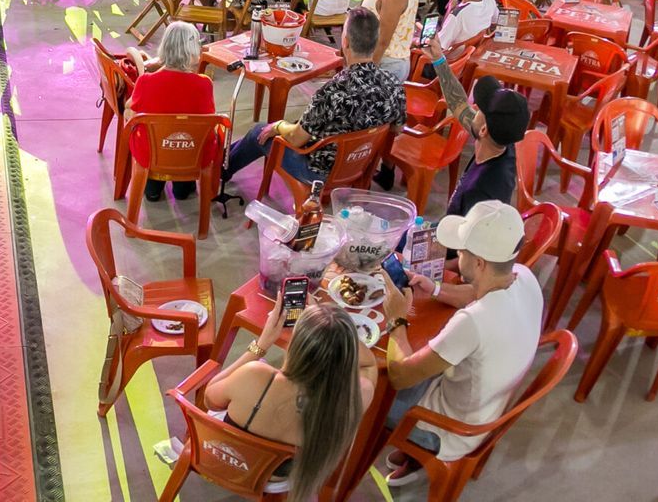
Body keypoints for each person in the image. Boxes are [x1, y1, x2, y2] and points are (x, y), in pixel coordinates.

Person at [380, 200, 542, 480]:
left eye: (462, 252)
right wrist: (435, 289)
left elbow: (400, 375)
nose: (457, 256)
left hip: (450, 431)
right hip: (487, 408)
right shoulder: (524, 277)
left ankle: (370, 463)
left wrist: (397, 319)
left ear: (478, 263)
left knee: (373, 389)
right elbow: (475, 294)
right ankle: (413, 456)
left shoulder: (473, 322)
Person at [202, 295, 375, 500]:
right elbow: (369, 363)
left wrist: (261, 345)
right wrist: (336, 332)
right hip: (278, 478)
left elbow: (210, 399)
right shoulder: (356, 396)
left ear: (297, 345)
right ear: (349, 355)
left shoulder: (254, 376)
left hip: (225, 458)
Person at [222, 8, 403, 183]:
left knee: (259, 132)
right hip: (360, 164)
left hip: (318, 171)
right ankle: (222, 158)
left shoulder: (333, 91)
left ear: (345, 42)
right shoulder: (394, 84)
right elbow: (396, 129)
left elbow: (296, 138)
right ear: (375, 41)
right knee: (282, 128)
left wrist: (277, 126)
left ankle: (220, 170)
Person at [125, 23, 215, 202]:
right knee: (192, 136)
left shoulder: (146, 82)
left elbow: (130, 108)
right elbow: (209, 120)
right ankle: (183, 186)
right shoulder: (204, 84)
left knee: (134, 119)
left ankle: (153, 188)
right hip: (190, 153)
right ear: (192, 50)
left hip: (152, 154)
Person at [441, 73, 528, 216]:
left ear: (483, 130)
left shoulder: (480, 194)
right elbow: (459, 105)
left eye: (480, 109)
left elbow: (465, 237)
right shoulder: (504, 146)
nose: (474, 109)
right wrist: (438, 60)